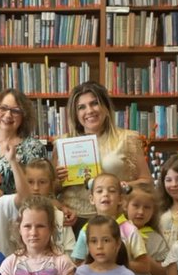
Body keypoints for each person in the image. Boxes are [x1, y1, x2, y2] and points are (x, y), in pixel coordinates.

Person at [55, 81, 152, 219]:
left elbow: (147, 182)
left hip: (115, 218)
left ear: (106, 107)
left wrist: (122, 186)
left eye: (95, 103)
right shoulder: (63, 144)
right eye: (81, 107)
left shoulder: (127, 139)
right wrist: (58, 180)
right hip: (74, 218)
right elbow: (50, 190)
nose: (89, 111)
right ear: (75, 114)